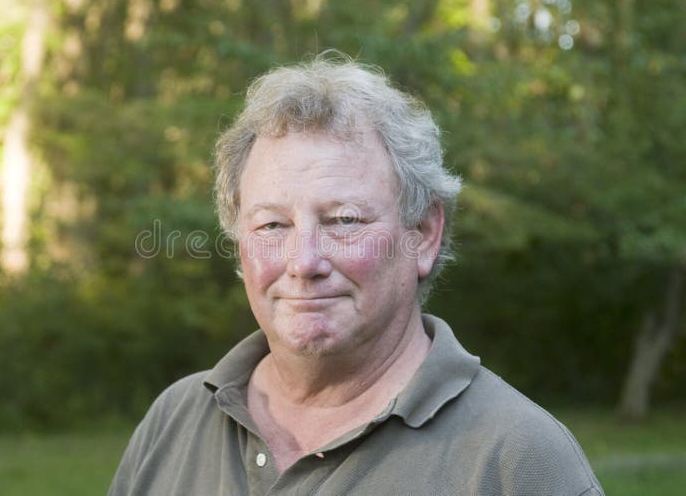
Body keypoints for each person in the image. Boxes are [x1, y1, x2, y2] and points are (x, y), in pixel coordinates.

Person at [109, 56, 604, 495]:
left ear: (424, 235)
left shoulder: (519, 460)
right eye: (272, 225)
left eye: (344, 220)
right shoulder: (175, 420)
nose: (304, 262)